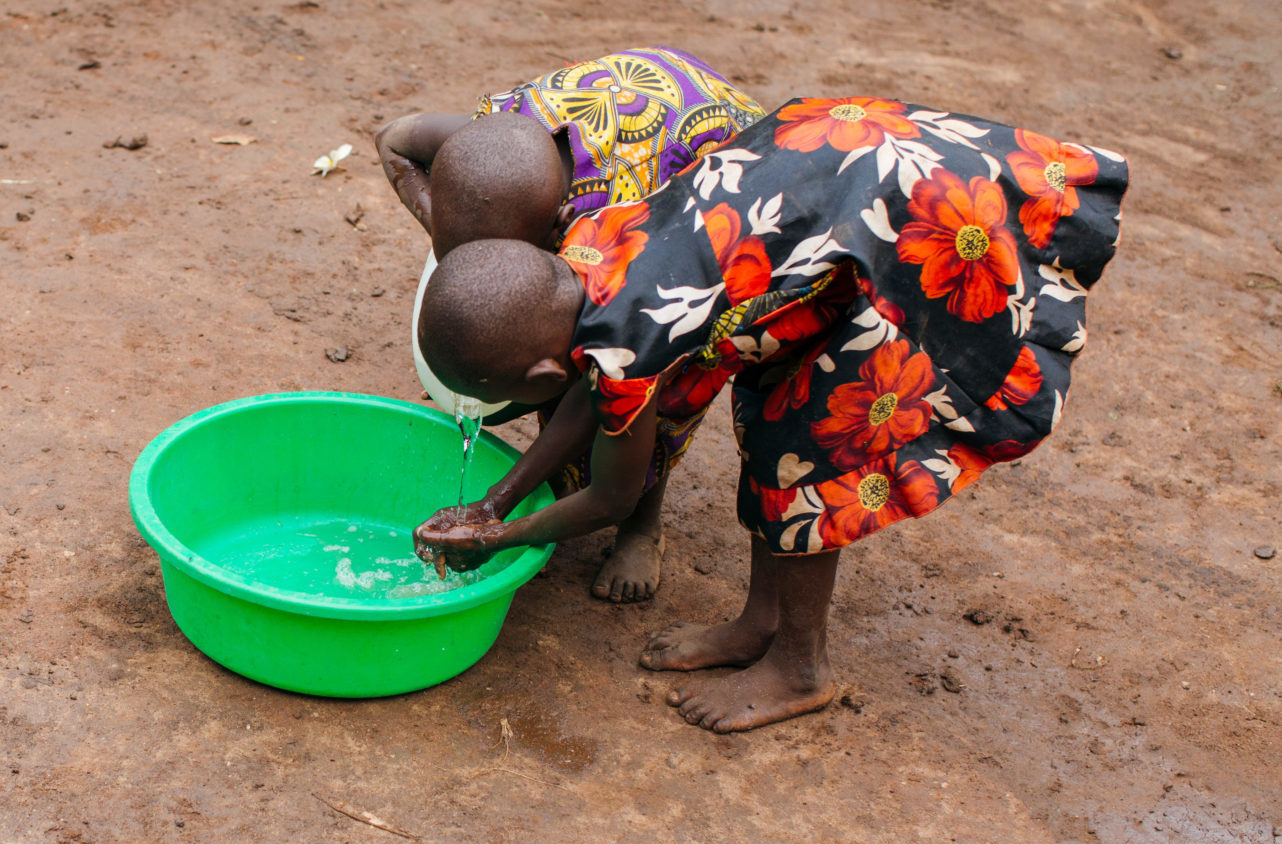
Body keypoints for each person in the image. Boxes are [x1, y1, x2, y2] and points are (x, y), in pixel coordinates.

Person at [411, 96, 1127, 732]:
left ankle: (800, 667)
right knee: (770, 415)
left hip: (920, 236)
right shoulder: (585, 248)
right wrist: (494, 500)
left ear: (541, 369)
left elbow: (612, 494)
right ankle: (759, 624)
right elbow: (583, 400)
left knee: (807, 460)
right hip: (836, 172)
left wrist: (500, 536)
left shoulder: (625, 344)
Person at [376, 47, 766, 603]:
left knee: (657, 386)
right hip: (638, 103)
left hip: (723, 179)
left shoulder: (635, 243)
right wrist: (443, 229)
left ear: (559, 226)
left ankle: (643, 528)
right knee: (548, 334)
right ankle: (566, 464)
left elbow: (615, 370)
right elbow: (393, 137)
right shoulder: (495, 141)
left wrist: (497, 518)